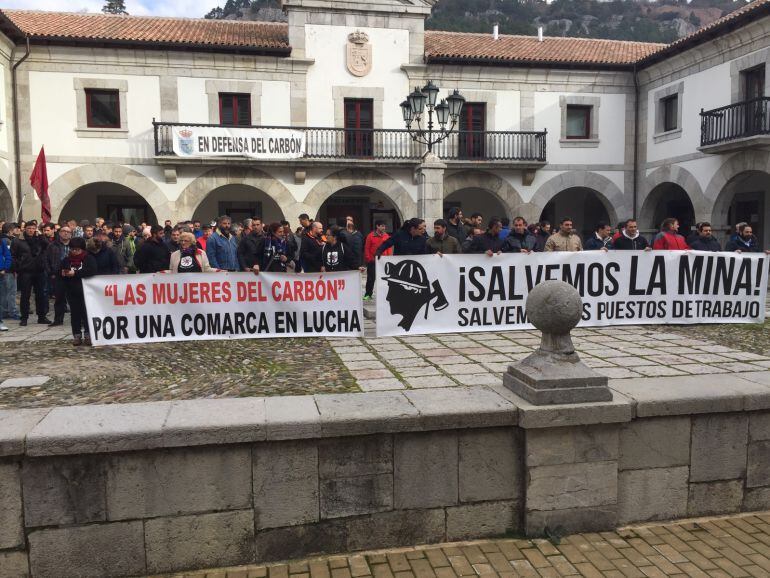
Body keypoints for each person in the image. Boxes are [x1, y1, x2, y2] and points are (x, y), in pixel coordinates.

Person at [12, 221, 50, 325]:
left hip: (39, 271)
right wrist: (18, 267)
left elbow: (47, 245)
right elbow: (13, 256)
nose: (31, 230)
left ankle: (41, 317)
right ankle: (24, 318)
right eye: (29, 228)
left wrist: (41, 235)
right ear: (25, 229)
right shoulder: (18, 240)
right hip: (25, 272)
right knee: (25, 296)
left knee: (41, 295)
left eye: (33, 228)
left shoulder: (39, 239)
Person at [60, 236, 96, 346]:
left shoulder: (88, 258)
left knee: (86, 313)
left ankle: (88, 334)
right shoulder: (67, 259)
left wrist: (75, 273)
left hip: (86, 290)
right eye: (73, 249)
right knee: (75, 314)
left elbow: (91, 270)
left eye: (77, 250)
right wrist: (64, 273)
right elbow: (62, 270)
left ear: (82, 249)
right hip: (72, 290)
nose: (75, 252)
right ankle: (76, 335)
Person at [45, 224, 72, 326]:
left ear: (71, 234)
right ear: (59, 233)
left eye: (68, 232)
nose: (66, 233)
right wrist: (50, 272)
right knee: (59, 299)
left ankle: (78, 319)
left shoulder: (74, 245)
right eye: (63, 231)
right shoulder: (52, 245)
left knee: (74, 298)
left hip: (72, 274)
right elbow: (46, 260)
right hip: (57, 275)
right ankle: (58, 320)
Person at [363, 220, 391, 300]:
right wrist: (368, 258)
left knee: (384, 279)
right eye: (382, 226)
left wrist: (389, 258)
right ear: (377, 226)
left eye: (384, 226)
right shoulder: (370, 236)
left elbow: (389, 248)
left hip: (383, 261)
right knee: (371, 279)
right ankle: (368, 294)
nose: (383, 228)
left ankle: (384, 295)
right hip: (373, 261)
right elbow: (367, 248)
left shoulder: (386, 236)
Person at [0, 223, 19, 321]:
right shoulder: (6, 240)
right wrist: (10, 268)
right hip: (8, 270)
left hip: (5, 269)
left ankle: (4, 311)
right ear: (10, 230)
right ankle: (12, 311)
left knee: (4, 292)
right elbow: (9, 256)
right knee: (11, 292)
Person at [0, 225, 10, 331]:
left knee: (1, 300)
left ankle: (0, 321)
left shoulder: (2, 241)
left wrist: (5, 268)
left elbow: (7, 255)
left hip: (0, 273)